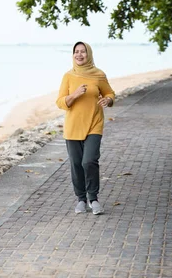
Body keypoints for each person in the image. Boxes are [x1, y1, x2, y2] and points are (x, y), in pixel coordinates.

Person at [56, 41, 115, 215]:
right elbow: (60, 102)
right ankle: (81, 199)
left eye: (83, 52)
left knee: (89, 161)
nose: (79, 55)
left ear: (89, 54)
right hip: (73, 127)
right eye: (76, 52)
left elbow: (109, 93)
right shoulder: (68, 76)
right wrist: (74, 95)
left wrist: (109, 100)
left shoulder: (98, 75)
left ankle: (93, 198)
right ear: (73, 55)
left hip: (94, 124)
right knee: (76, 164)